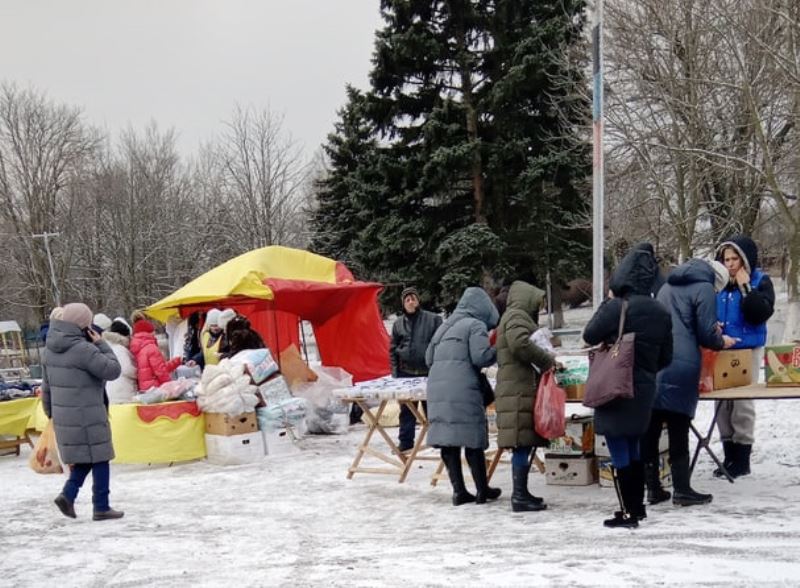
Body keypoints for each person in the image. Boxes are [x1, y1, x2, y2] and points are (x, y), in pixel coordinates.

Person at [583, 244, 673, 528]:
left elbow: (589, 334)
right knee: (634, 444)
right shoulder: (660, 311)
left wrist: (608, 302)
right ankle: (638, 507)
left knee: (619, 447)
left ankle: (628, 512)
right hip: (644, 388)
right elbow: (666, 357)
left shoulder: (616, 307)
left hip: (615, 385)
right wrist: (644, 372)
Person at [642, 258, 736, 508]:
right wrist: (721, 340)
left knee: (651, 427)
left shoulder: (666, 285)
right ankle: (682, 489)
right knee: (678, 426)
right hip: (682, 363)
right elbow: (706, 332)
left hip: (656, 361)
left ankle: (653, 488)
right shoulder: (704, 288)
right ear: (717, 281)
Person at [41, 302, 124, 520]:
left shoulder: (49, 349)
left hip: (64, 416)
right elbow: (113, 370)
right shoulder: (83, 349)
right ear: (83, 325)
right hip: (88, 414)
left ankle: (68, 495)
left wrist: (51, 413)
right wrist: (102, 344)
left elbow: (46, 386)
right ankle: (101, 506)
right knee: (100, 456)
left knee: (87, 458)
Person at [426, 287, 500, 506]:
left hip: (438, 389)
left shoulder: (444, 326)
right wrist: (499, 348)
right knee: (472, 439)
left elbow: (428, 357)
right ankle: (482, 490)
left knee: (449, 441)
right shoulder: (475, 325)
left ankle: (459, 491)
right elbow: (481, 357)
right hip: (463, 387)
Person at [714, 235, 775, 478]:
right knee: (721, 406)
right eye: (725, 259)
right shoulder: (718, 284)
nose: (729, 264)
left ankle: (742, 458)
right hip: (721, 349)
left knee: (742, 404)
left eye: (734, 259)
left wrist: (746, 287)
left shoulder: (761, 281)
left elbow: (760, 313)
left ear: (745, 260)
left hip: (747, 349)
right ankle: (729, 455)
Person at [495, 280, 555, 513]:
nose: (539, 307)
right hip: (518, 391)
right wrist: (546, 359)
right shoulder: (517, 317)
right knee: (521, 443)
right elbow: (520, 344)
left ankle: (523, 493)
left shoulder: (514, 317)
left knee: (525, 443)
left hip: (518, 389)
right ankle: (519, 496)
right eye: (538, 302)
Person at [390, 286, 442, 451]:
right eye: (407, 300)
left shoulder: (433, 320)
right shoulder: (398, 324)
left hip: (428, 371)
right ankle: (405, 444)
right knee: (407, 411)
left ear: (418, 301)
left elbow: (440, 344)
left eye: (413, 298)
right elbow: (392, 349)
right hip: (406, 373)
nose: (411, 302)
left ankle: (439, 441)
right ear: (403, 304)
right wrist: (395, 373)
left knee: (433, 409)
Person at [130, 318, 182, 390]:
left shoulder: (138, 348)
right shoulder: (151, 348)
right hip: (156, 388)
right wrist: (171, 387)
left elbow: (159, 367)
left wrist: (177, 361)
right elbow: (161, 371)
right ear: (149, 332)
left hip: (145, 388)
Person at [103, 319, 138, 404]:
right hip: (122, 391)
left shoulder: (108, 347)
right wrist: (138, 372)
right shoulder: (120, 349)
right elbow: (126, 369)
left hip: (111, 390)